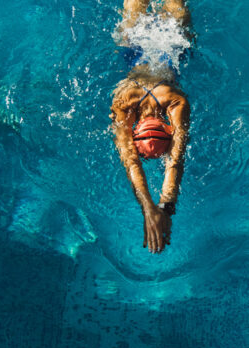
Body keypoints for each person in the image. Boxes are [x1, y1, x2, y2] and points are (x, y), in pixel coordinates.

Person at [110, 0, 191, 254]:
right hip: (132, 49)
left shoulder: (176, 100)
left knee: (176, 10)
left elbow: (174, 160)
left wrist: (162, 207)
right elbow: (132, 160)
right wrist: (155, 207)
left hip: (173, 46)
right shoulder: (123, 99)